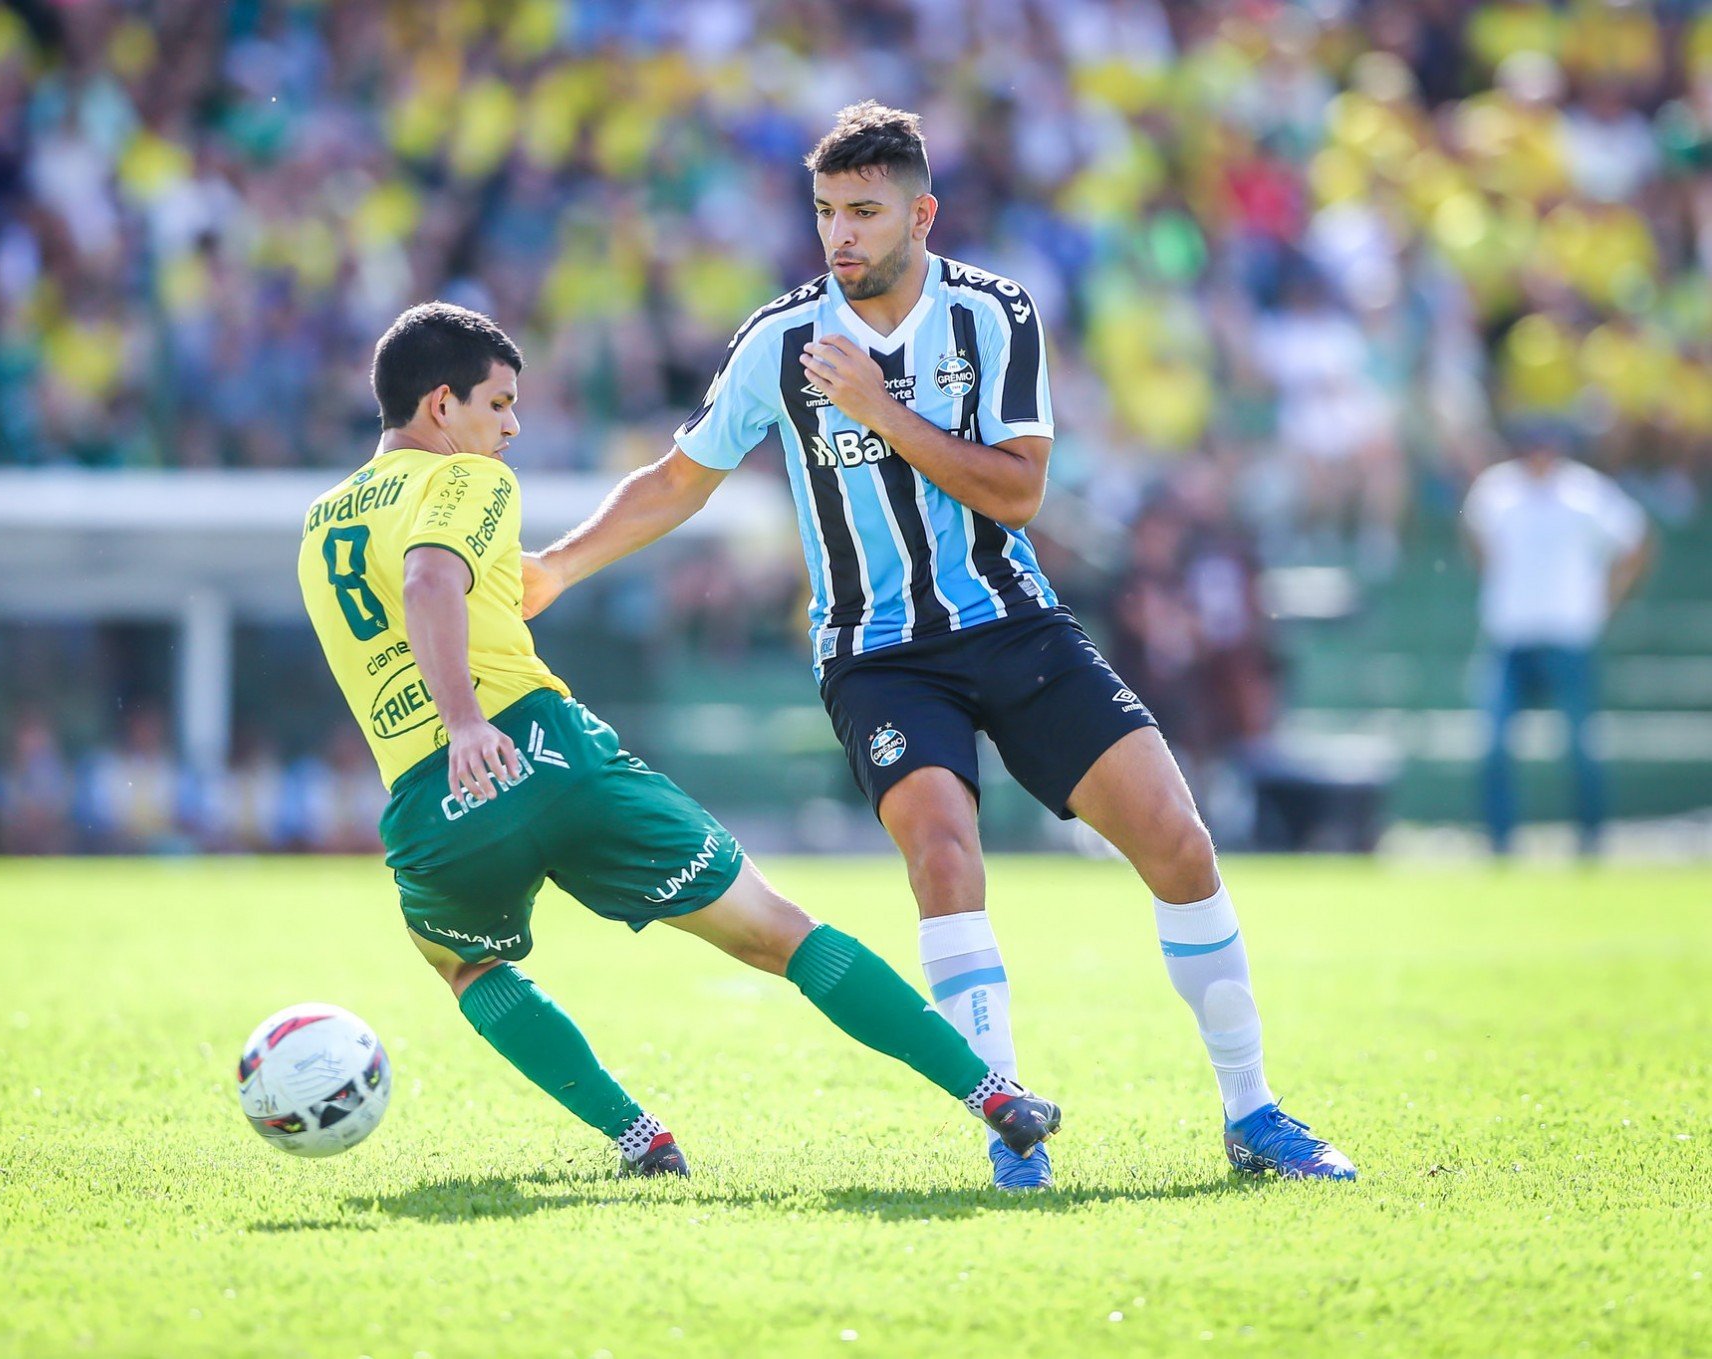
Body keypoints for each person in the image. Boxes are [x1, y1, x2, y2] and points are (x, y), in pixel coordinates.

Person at [524, 102, 1355, 1186]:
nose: (841, 236)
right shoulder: (780, 340)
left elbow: (1018, 490)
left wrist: (877, 410)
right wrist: (556, 566)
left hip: (1011, 623)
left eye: (864, 211)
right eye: (826, 212)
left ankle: (1253, 1115)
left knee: (1179, 843)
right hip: (877, 655)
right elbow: (680, 477)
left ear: (922, 212)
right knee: (945, 858)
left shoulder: (995, 315)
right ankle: (1014, 1132)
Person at [296, 301, 1057, 1178]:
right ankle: (994, 1096)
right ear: (440, 407)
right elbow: (432, 578)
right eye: (499, 404)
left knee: (463, 964)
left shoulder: (321, 524)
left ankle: (638, 1137)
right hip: (543, 753)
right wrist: (468, 718)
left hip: (434, 806)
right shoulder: (466, 481)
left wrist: (455, 732)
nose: (512, 426)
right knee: (779, 932)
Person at [1462, 418, 1651, 856]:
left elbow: (1637, 542)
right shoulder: (1498, 490)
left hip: (1569, 635)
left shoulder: (1586, 494)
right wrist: (1493, 576)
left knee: (1582, 746)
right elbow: (1474, 532)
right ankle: (1499, 841)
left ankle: (1590, 840)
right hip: (1511, 636)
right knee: (1493, 742)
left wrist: (1605, 601)